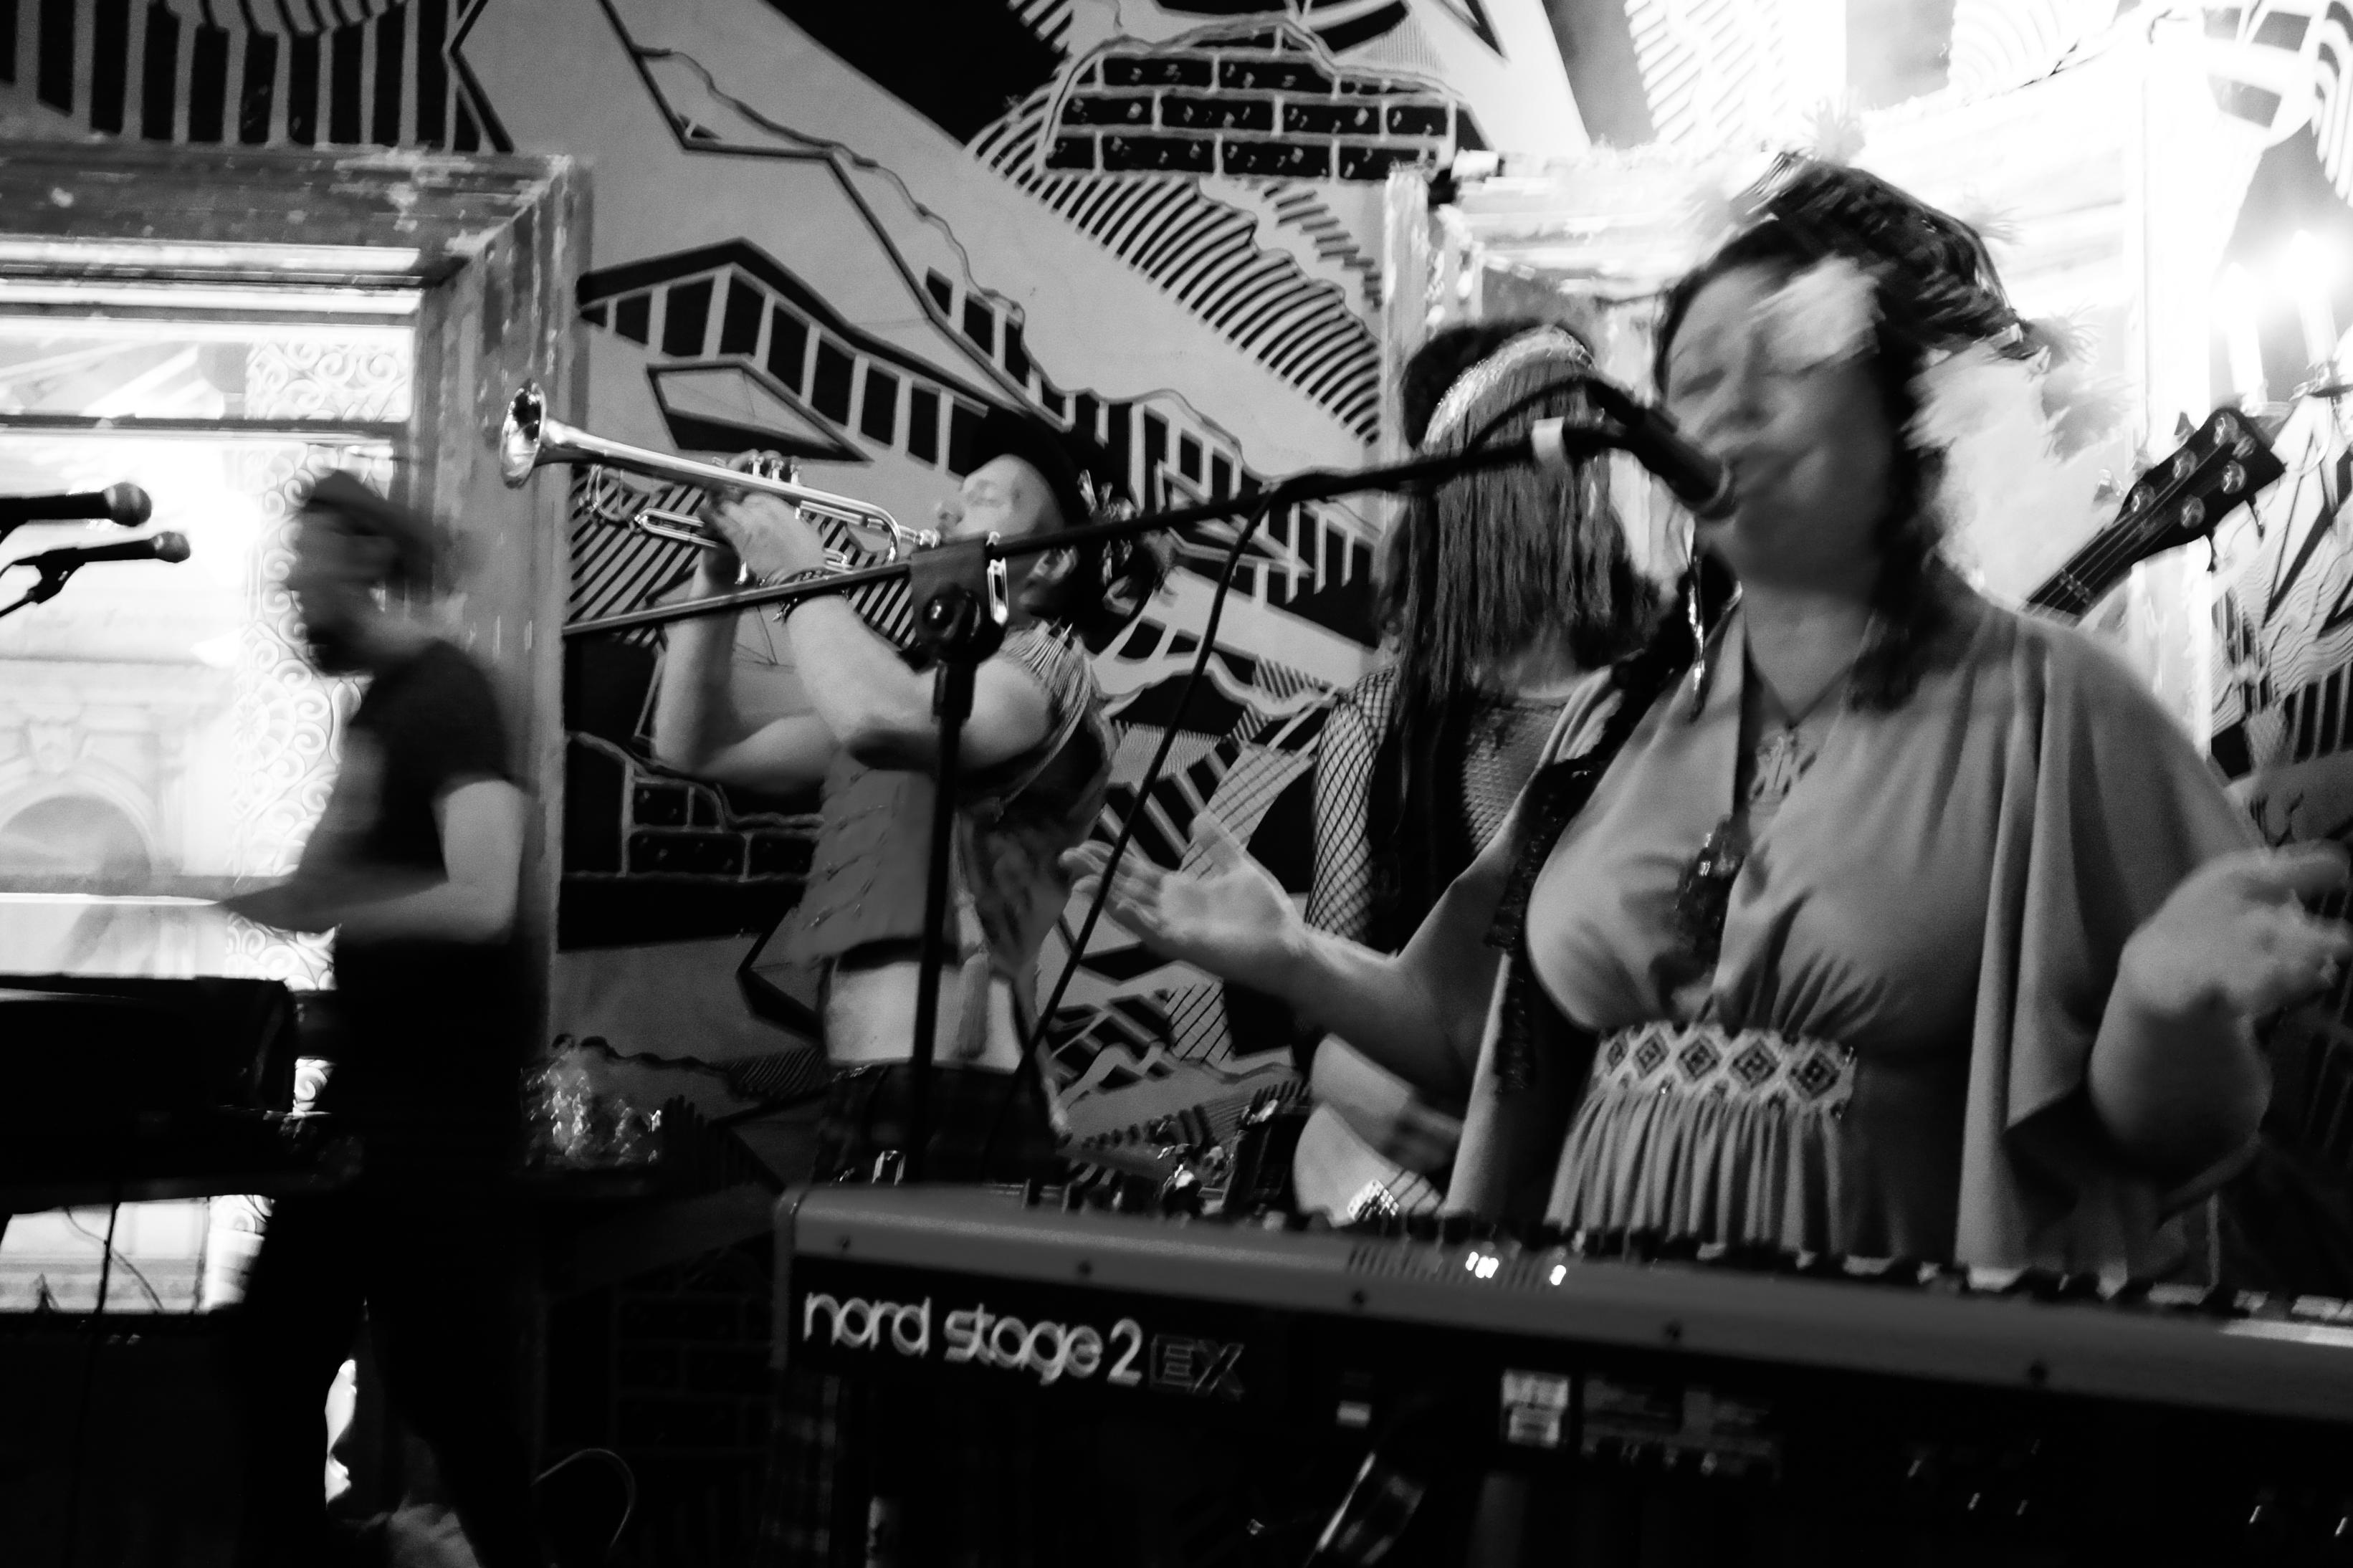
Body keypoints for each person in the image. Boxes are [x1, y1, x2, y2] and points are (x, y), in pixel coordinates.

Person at [1074, 159, 2353, 1277]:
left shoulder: (2059, 703)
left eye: (1782, 364)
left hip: (1877, 1382)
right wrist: (1287, 954)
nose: (1724, 408)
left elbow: (2167, 1143)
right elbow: (1477, 1033)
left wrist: (2162, 1014)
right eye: (1693, 377)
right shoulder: (1619, 719)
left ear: (1908, 408)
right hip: (1583, 1355)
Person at [652, 408, 1164, 1181]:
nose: (944, 511)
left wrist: (800, 574)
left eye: (984, 497)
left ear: (1055, 562)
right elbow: (696, 746)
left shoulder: (1049, 669)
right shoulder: (920, 688)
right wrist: (716, 573)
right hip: (879, 1083)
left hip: (950, 1085)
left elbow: (880, 719)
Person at [220, 471, 540, 1567]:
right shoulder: (388, 707)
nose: (290, 591)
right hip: (378, 1107)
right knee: (277, 1349)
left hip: (439, 1122)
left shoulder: (450, 697)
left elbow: (484, 896)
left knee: (455, 1398)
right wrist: (289, 893)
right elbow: (332, 877)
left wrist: (329, 902)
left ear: (362, 558)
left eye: (303, 566)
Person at [1295, 325, 1658, 1217]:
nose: (1585, 475)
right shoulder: (1380, 725)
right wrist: (1349, 1077)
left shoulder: (1663, 698)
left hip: (1613, 1164)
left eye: (1590, 447)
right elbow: (1324, 988)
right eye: (1553, 439)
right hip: (1413, 1180)